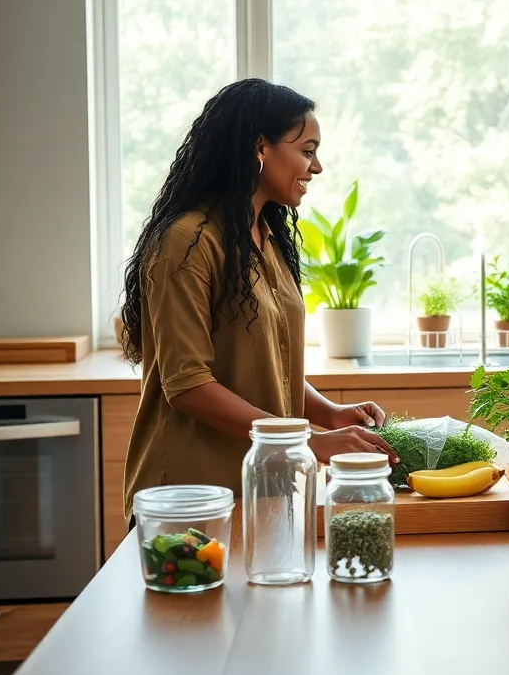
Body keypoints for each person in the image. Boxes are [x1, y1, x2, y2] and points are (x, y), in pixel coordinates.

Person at [119, 78, 397, 519]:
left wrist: (329, 413)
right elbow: (188, 386)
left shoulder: (264, 238)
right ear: (260, 148)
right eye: (307, 150)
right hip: (190, 500)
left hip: (262, 489)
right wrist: (304, 441)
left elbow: (272, 360)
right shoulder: (185, 241)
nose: (317, 167)